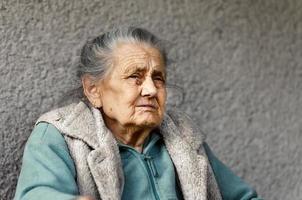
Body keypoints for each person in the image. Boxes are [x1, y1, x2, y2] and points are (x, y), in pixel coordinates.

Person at [14, 27, 262, 200]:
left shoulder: (183, 135)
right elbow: (37, 195)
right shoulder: (60, 133)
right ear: (93, 90)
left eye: (158, 78)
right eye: (135, 76)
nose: (151, 89)